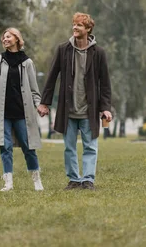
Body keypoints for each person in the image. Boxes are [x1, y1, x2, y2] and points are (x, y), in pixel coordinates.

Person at [37, 13, 112, 191]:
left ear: (88, 29)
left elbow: (105, 83)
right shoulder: (63, 49)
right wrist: (44, 102)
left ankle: (87, 180)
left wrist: (105, 108)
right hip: (68, 109)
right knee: (69, 148)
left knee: (90, 147)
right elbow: (52, 77)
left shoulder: (98, 53)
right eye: (74, 24)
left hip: (89, 110)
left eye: (79, 25)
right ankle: (73, 180)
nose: (75, 28)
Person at [0, 28, 44, 191]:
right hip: (3, 112)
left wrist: (39, 104)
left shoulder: (27, 63)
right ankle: (8, 182)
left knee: (28, 146)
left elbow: (34, 89)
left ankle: (37, 180)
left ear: (17, 39)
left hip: (23, 112)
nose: (5, 39)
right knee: (5, 147)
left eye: (8, 36)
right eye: (3, 37)